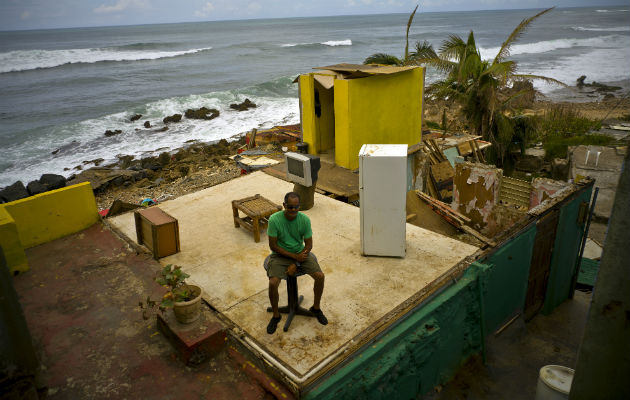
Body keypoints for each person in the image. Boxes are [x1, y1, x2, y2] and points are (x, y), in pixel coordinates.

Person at [265, 191, 327, 334]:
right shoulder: (274, 219)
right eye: (290, 207)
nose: (293, 210)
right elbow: (273, 246)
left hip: (301, 254)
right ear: (284, 205)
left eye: (296, 207)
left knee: (320, 276)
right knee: (273, 283)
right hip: (280, 255)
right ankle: (276, 315)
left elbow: (309, 244)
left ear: (299, 206)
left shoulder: (304, 219)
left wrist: (297, 261)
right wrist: (293, 257)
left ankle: (316, 308)